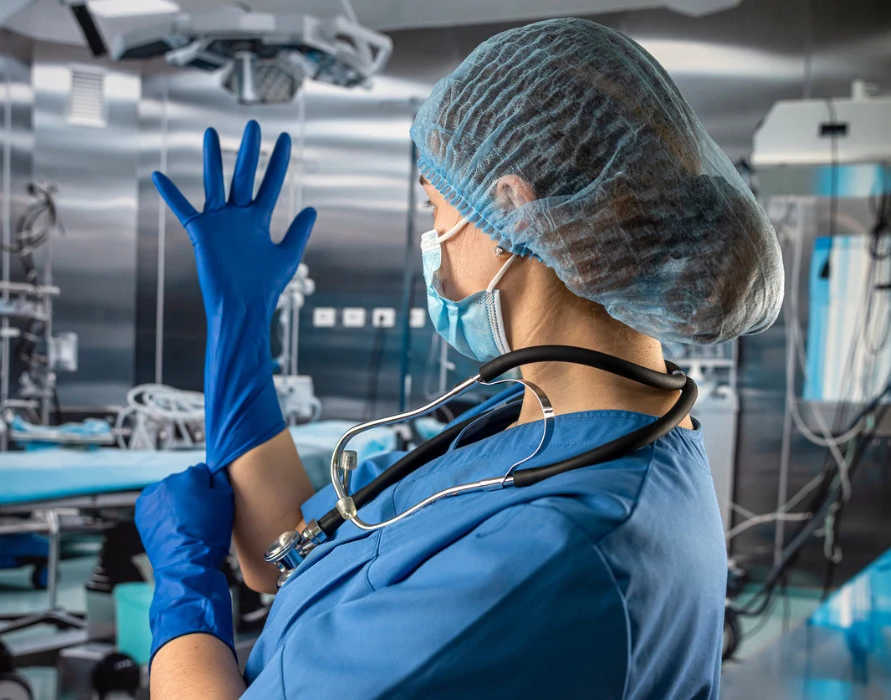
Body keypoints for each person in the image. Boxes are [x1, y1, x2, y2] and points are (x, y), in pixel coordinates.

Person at [135, 17, 783, 700]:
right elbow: (288, 548)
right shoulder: (543, 422)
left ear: (513, 208)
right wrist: (239, 321)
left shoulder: (554, 549)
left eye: (434, 207)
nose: (432, 240)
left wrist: (184, 591)